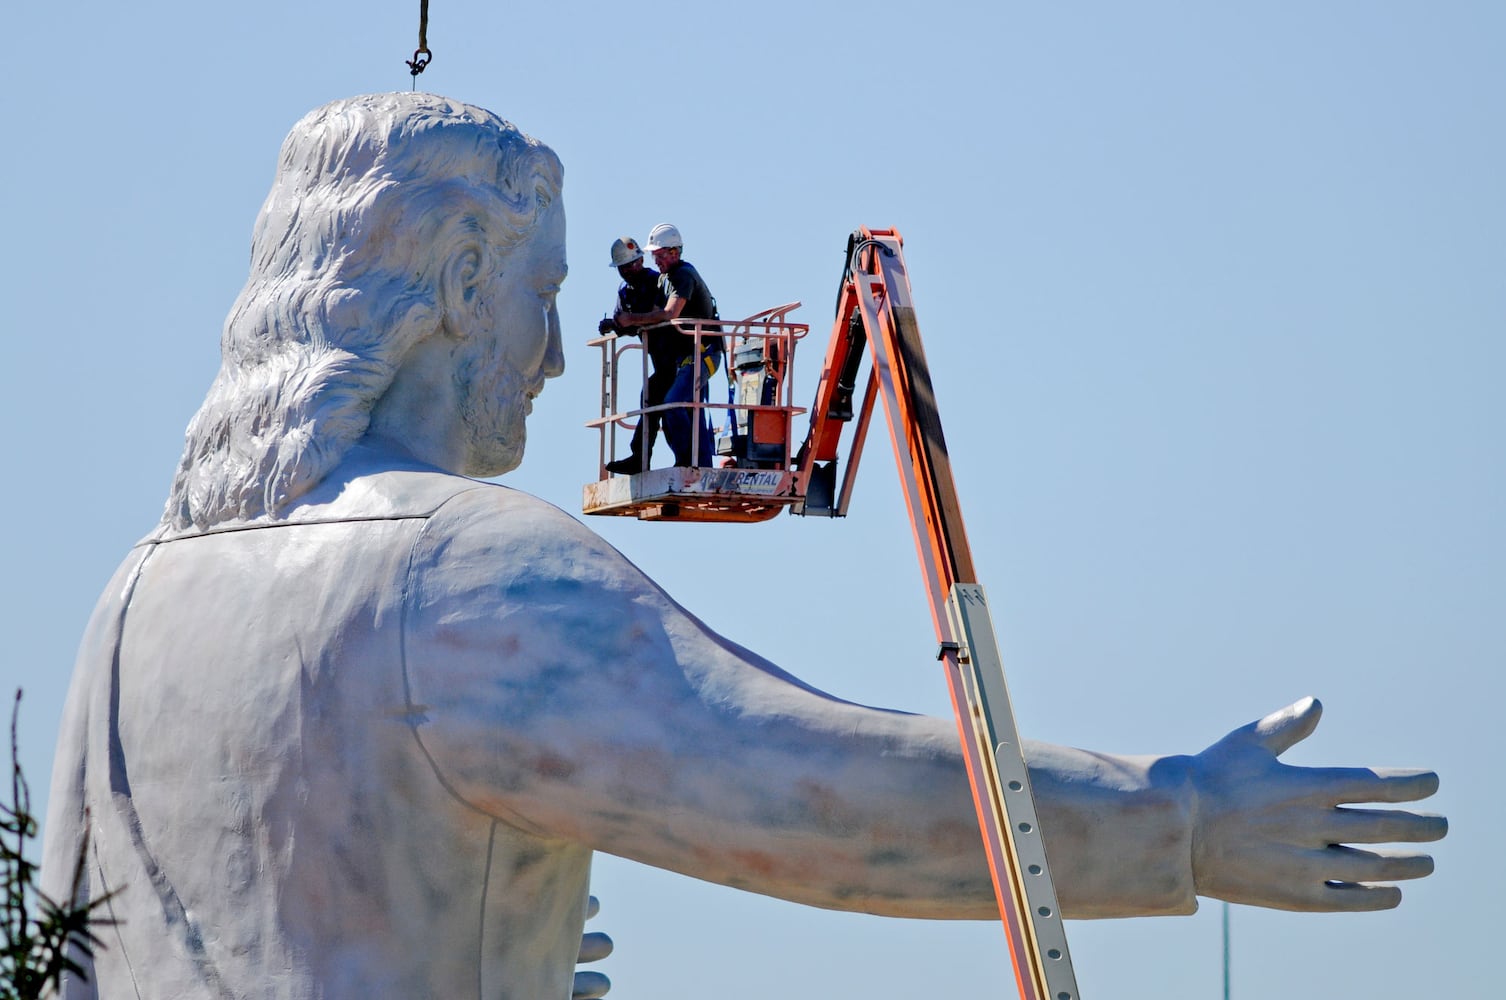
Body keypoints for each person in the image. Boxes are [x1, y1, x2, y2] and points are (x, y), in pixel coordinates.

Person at [41, 92, 1445, 1000]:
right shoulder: (451, 576)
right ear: (460, 283)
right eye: (534, 297)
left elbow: (73, 951)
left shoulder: (135, 596)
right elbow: (807, 790)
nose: (547, 355)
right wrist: (1176, 824)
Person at [613, 223, 722, 467]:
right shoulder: (665, 278)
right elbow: (654, 313)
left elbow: (669, 313)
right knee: (660, 398)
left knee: (675, 404)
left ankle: (691, 465)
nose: (655, 261)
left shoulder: (683, 275)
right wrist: (622, 323)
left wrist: (631, 319)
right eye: (654, 256)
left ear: (675, 252)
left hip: (702, 354)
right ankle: (650, 459)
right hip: (682, 358)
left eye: (659, 256)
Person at [596, 237, 672, 475]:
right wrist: (614, 324)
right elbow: (626, 323)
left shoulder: (658, 282)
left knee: (675, 406)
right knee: (650, 398)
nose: (630, 270)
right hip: (661, 361)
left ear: (641, 260)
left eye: (634, 264)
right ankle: (640, 458)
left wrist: (629, 321)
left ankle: (685, 459)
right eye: (624, 267)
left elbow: (660, 315)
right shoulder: (624, 292)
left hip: (679, 357)